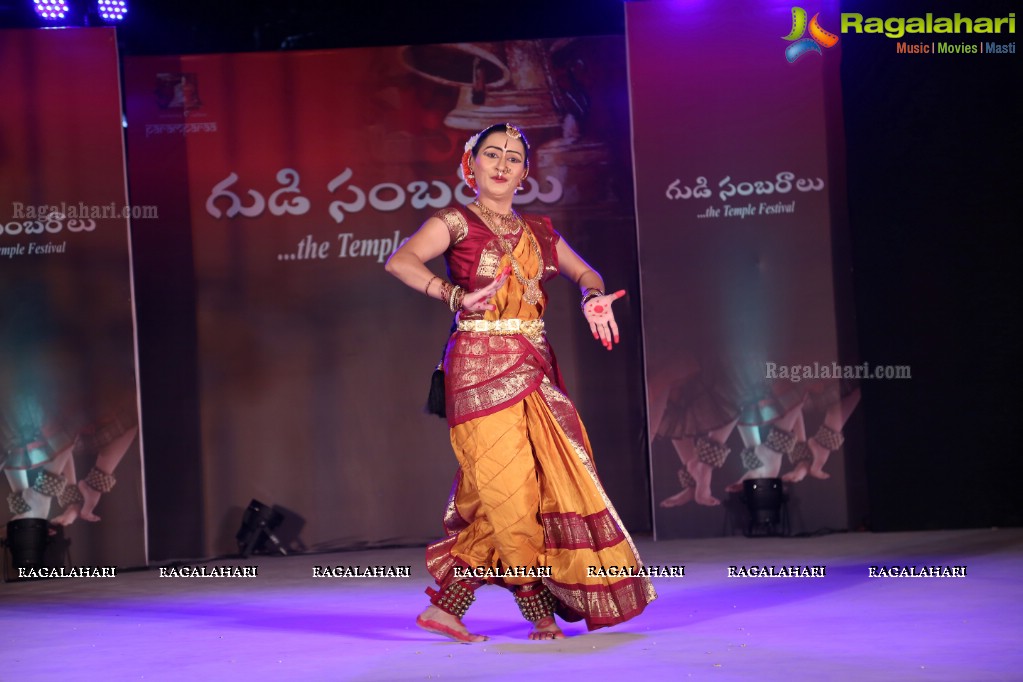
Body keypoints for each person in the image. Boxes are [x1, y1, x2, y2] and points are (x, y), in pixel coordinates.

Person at [385, 123, 656, 642]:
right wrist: (452, 295)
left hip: (533, 364)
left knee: (529, 484)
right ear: (472, 163)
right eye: (492, 154)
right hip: (478, 365)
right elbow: (400, 261)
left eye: (513, 157)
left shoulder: (540, 230)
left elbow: (587, 274)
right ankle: (537, 611)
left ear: (526, 173)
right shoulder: (454, 221)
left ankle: (447, 608)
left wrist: (591, 298)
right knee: (508, 488)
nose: (502, 164)